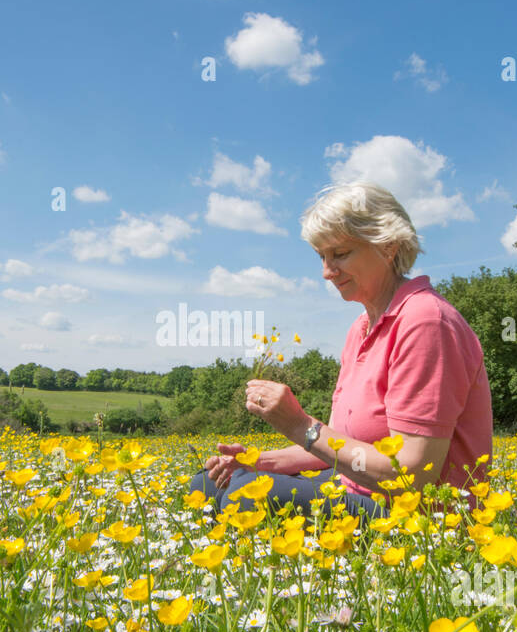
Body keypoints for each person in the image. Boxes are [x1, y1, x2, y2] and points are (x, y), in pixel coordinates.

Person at [189, 182, 493, 517]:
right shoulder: (360, 329)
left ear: (388, 246)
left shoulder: (426, 322)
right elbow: (334, 445)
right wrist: (258, 461)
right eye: (321, 256)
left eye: (340, 254)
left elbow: (412, 477)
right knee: (208, 484)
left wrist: (297, 424)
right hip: (356, 487)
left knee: (244, 495)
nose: (326, 272)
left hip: (419, 516)